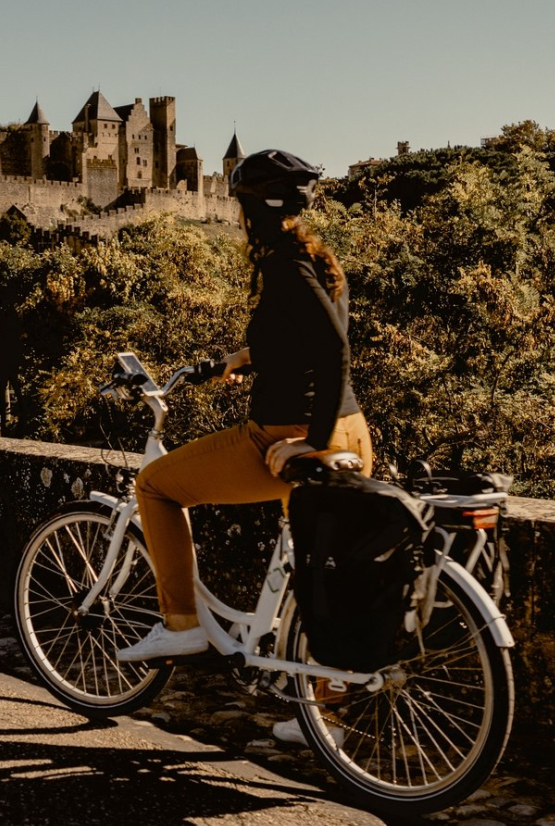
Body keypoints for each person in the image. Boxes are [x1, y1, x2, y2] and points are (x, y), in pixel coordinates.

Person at [115, 149, 373, 740]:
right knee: (318, 567)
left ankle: (181, 624)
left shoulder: (285, 265)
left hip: (288, 436)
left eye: (239, 204)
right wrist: (245, 357)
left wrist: (308, 442)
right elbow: (306, 342)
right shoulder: (319, 260)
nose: (235, 215)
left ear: (253, 208)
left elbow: (334, 351)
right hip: (353, 428)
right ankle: (325, 720)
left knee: (154, 486)